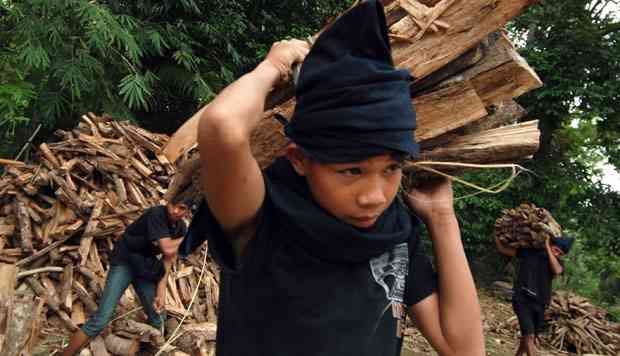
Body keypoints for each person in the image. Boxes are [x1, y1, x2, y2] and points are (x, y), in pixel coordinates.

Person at [181, 1, 485, 355]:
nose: (374, 196)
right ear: (299, 159)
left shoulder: (395, 232)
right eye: (351, 170)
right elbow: (222, 127)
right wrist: (273, 67)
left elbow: (464, 350)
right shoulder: (262, 216)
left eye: (391, 168)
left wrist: (442, 218)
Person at [61, 196, 191, 356]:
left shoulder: (181, 228)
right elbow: (167, 249)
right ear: (168, 203)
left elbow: (168, 259)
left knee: (158, 317)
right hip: (125, 261)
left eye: (182, 208)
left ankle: (146, 351)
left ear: (188, 211)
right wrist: (192, 235)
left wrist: (161, 291)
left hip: (144, 265)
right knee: (101, 319)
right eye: (173, 205)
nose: (176, 211)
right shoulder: (157, 214)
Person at [496, 234, 574, 356]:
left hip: (540, 304)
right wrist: (497, 234)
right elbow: (503, 249)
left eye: (560, 253)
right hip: (522, 298)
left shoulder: (556, 263)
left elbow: (557, 271)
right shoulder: (530, 251)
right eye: (556, 250)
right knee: (529, 336)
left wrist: (549, 248)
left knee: (527, 338)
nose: (557, 254)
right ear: (551, 244)